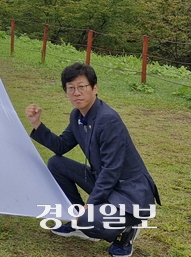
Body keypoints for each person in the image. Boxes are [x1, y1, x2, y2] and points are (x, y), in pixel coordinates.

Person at [25, 63, 160, 257]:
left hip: (130, 192)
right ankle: (77, 221)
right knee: (56, 163)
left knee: (90, 220)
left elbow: (112, 169)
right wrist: (36, 124)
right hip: (106, 181)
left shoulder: (108, 119)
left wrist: (90, 204)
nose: (76, 93)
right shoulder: (77, 115)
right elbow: (61, 146)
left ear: (95, 88)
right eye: (71, 88)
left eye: (82, 87)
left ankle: (128, 229)